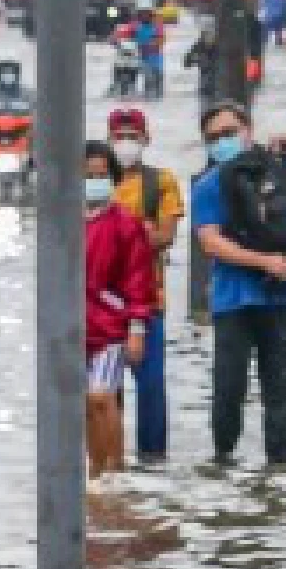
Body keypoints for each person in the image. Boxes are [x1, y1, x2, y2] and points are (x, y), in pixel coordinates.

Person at [192, 101, 286, 467]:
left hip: (282, 298)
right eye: (213, 137)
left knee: (279, 392)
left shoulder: (282, 168)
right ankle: (223, 463)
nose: (222, 141)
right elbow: (210, 241)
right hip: (233, 301)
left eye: (229, 132)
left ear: (248, 129)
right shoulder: (210, 183)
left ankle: (278, 471)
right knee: (229, 390)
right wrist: (265, 262)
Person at [108, 108, 185, 464]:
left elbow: (166, 236)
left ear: (146, 139)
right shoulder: (95, 182)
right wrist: (142, 233)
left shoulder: (161, 182)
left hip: (149, 298)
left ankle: (153, 464)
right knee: (105, 392)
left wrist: (115, 237)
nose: (126, 143)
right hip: (101, 303)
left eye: (132, 136)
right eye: (119, 136)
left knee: (151, 387)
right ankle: (109, 463)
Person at [82, 141, 156, 481]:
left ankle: (114, 471)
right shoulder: (61, 221)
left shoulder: (125, 224)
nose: (95, 180)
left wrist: (137, 330)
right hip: (73, 329)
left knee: (101, 397)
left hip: (111, 326)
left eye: (101, 174)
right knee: (86, 405)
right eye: (87, 175)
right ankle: (95, 472)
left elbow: (139, 280)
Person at [131, 2, 166, 100]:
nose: (144, 16)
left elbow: (161, 38)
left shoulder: (157, 26)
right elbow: (124, 32)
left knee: (156, 75)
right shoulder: (135, 25)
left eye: (146, 13)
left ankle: (157, 95)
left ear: (151, 14)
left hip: (155, 55)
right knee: (147, 76)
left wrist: (154, 43)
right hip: (141, 55)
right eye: (142, 13)